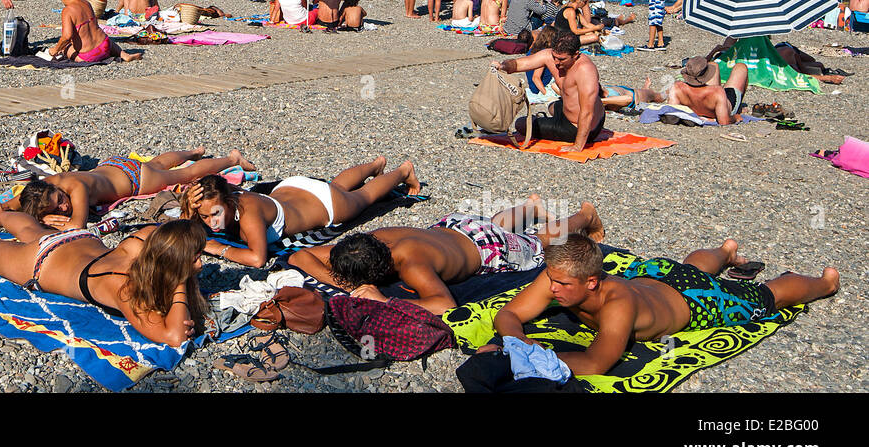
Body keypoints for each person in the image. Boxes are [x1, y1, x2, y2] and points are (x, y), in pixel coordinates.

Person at [482, 233, 838, 376]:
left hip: (694, 299)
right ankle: (726, 251)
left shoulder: (617, 303)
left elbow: (595, 362)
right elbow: (509, 313)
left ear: (591, 281)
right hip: (653, 273)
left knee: (767, 296)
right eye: (552, 280)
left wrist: (523, 356)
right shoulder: (560, 275)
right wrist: (517, 341)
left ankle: (825, 282)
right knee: (690, 267)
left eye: (561, 283)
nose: (552, 288)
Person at [0, 213, 206, 346]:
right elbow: (173, 337)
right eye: (194, 257)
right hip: (39, 263)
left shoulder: (141, 246)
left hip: (75, 239)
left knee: (33, 231)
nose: (201, 263)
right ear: (174, 262)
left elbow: (164, 231)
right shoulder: (124, 287)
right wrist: (180, 280)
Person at [290, 197, 605, 313]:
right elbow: (300, 256)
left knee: (541, 240)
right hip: (455, 226)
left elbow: (443, 304)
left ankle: (583, 217)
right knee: (496, 224)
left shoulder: (413, 265)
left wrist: (385, 301)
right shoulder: (368, 242)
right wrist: (346, 285)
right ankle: (531, 207)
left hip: (487, 249)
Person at [182, 156, 421, 268]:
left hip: (326, 204)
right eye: (204, 216)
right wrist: (188, 207)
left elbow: (257, 259)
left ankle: (403, 171)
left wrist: (218, 248)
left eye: (215, 214)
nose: (211, 223)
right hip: (292, 187)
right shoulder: (225, 194)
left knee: (365, 196)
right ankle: (374, 164)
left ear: (228, 202)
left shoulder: (248, 214)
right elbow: (182, 228)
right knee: (336, 184)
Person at [0, 148, 248, 230]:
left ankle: (232, 159)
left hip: (133, 178)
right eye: (56, 207)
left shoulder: (75, 188)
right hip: (112, 166)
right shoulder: (43, 187)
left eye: (60, 201)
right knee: (159, 162)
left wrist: (47, 220)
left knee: (183, 173)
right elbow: (10, 203)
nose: (63, 206)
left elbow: (77, 225)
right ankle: (194, 151)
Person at [493, 29, 605, 153]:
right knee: (552, 106)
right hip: (569, 111)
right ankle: (550, 118)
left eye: (561, 59)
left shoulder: (585, 70)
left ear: (576, 55)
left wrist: (577, 146)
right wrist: (502, 66)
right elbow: (521, 64)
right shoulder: (550, 56)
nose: (556, 62)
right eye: (554, 57)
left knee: (520, 124)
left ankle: (551, 124)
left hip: (580, 127)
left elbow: (587, 112)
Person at [45, 0, 139, 63]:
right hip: (105, 46)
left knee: (66, 49)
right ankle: (124, 55)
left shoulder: (67, 10)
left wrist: (55, 49)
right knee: (108, 40)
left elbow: (67, 36)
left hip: (88, 55)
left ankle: (81, 60)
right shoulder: (87, 3)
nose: (61, 0)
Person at [641, 56, 750, 126]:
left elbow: (673, 111)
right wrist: (736, 117)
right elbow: (724, 121)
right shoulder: (718, 91)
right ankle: (739, 107)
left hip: (703, 100)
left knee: (713, 64)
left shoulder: (677, 87)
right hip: (720, 102)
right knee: (741, 67)